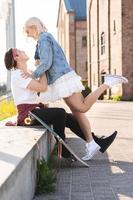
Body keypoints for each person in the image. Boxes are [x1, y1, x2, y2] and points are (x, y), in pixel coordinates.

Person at [23, 17, 128, 160]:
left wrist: (32, 74)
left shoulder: (43, 39)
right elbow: (44, 61)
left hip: (62, 79)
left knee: (82, 107)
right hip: (63, 77)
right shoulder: (45, 39)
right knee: (77, 111)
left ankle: (107, 83)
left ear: (34, 27)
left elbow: (46, 63)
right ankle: (92, 144)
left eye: (28, 32)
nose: (29, 36)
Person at [4, 48, 117, 160]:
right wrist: (42, 68)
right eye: (19, 51)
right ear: (16, 57)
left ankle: (97, 142)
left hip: (33, 111)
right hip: (27, 116)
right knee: (60, 113)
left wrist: (41, 70)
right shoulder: (18, 75)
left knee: (70, 118)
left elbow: (43, 85)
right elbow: (43, 87)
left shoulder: (27, 73)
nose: (22, 50)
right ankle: (62, 148)